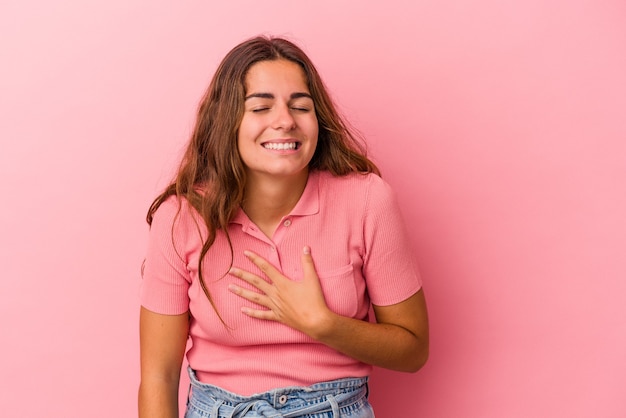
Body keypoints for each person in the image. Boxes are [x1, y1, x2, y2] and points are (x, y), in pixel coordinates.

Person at [138, 35, 429, 418]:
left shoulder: (367, 201)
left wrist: (323, 324)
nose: (285, 121)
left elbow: (413, 350)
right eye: (261, 107)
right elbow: (158, 376)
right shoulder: (181, 218)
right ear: (228, 122)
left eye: (301, 106)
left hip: (334, 408)